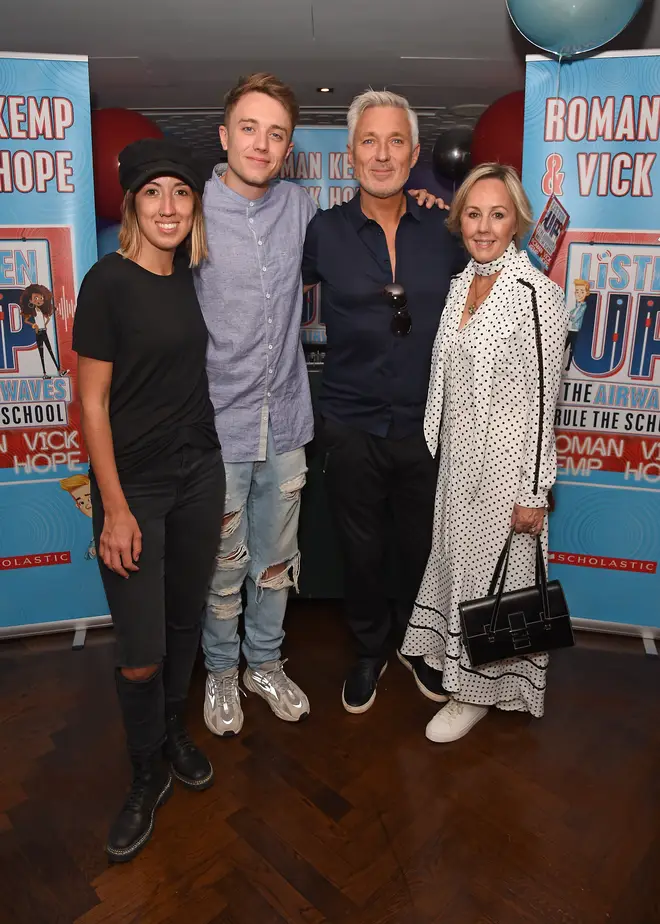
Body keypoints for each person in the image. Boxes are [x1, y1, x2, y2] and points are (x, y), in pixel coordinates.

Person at [73, 139, 225, 861]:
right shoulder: (106, 281)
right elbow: (92, 403)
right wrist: (117, 507)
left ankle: (170, 735)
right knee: (140, 650)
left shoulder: (190, 277)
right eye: (153, 192)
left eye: (181, 192)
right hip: (133, 486)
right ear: (132, 202)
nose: (168, 206)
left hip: (199, 473)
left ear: (194, 206)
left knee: (183, 626)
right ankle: (143, 777)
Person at [302, 90, 466, 715]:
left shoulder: (446, 229)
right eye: (369, 141)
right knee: (361, 548)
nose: (382, 153)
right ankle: (370, 650)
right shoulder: (323, 232)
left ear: (415, 153)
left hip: (429, 424)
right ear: (350, 155)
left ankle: (420, 647)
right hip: (350, 422)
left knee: (424, 544)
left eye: (396, 141)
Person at [400, 163, 569, 742]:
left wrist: (534, 493)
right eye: (473, 213)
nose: (484, 225)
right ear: (459, 219)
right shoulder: (458, 286)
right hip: (457, 465)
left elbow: (547, 403)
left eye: (497, 214)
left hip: (505, 471)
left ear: (517, 221)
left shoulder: (538, 295)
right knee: (458, 573)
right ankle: (460, 675)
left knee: (492, 582)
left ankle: (472, 694)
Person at [19, 284, 68, 378]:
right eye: (36, 298)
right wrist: (33, 325)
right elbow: (26, 320)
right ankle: (45, 374)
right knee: (42, 354)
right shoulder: (32, 311)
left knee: (50, 351)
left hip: (43, 331)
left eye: (41, 298)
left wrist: (45, 324)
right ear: (30, 300)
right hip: (39, 333)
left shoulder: (40, 310)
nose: (39, 300)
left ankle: (59, 371)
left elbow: (46, 318)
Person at [564, 278, 592, 371]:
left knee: (571, 348)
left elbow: (576, 317)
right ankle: (560, 362)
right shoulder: (576, 306)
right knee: (564, 346)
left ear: (586, 293)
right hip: (569, 329)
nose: (578, 294)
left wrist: (571, 316)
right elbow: (570, 313)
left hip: (575, 330)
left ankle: (568, 365)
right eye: (577, 291)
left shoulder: (583, 306)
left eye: (582, 291)